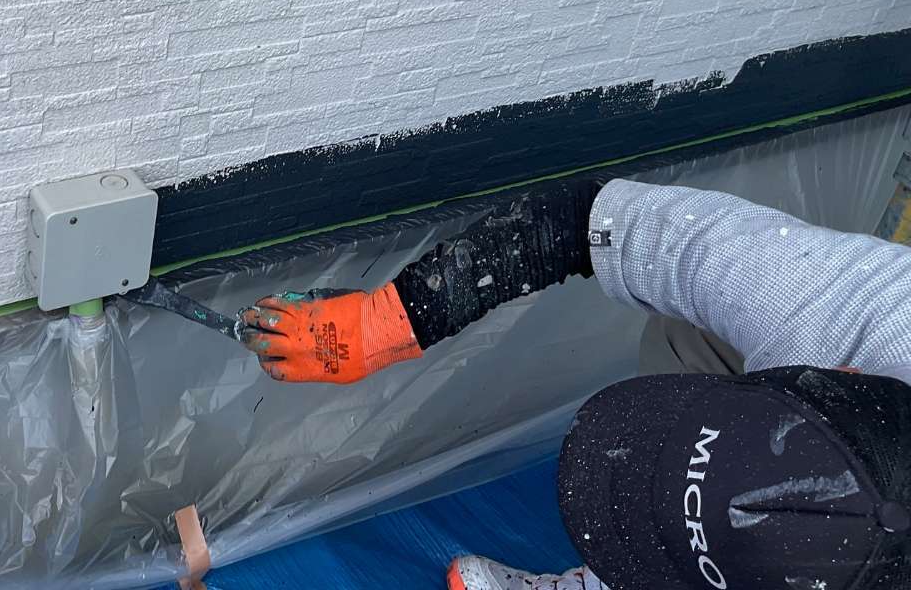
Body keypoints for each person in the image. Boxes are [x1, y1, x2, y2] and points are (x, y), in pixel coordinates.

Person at [239, 177, 911, 590]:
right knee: (690, 335)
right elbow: (581, 220)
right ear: (843, 375)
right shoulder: (838, 304)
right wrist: (387, 322)